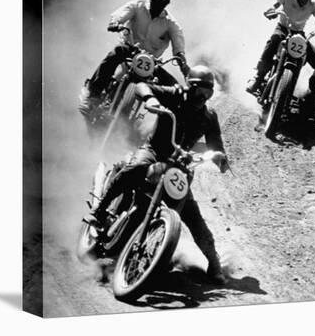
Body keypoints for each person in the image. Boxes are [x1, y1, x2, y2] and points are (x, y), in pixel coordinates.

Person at [87, 65, 229, 284]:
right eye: (200, 90)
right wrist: (150, 99)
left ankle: (213, 261)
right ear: (190, 86)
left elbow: (215, 141)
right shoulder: (174, 94)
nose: (203, 96)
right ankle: (100, 209)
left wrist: (219, 155)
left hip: (180, 166)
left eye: (208, 91)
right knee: (135, 169)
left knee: (192, 214)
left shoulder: (209, 116)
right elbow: (141, 85)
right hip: (154, 151)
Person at [79, 0, 190, 115]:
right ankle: (92, 96)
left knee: (176, 90)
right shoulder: (136, 7)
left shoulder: (171, 24)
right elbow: (120, 15)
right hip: (129, 52)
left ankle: (169, 130)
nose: (158, 4)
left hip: (151, 63)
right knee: (116, 52)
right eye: (156, 0)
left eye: (163, 2)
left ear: (167, 2)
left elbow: (179, 45)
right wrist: (116, 23)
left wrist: (183, 64)